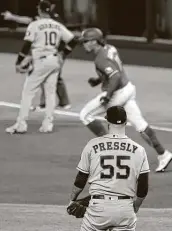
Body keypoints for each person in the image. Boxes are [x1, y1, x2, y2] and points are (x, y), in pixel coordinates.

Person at [79, 27, 172, 172]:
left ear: (94, 42)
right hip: (128, 88)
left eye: (85, 41)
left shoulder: (100, 58)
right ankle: (163, 154)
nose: (83, 44)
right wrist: (98, 80)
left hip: (117, 93)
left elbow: (114, 76)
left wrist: (107, 96)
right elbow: (115, 69)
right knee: (140, 125)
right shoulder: (110, 48)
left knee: (85, 115)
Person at [67, 105, 149, 231]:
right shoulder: (139, 150)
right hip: (125, 209)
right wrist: (136, 206)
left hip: (98, 209)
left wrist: (72, 200)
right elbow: (143, 187)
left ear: (107, 121)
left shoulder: (92, 145)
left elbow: (80, 180)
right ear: (126, 122)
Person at [5, 0, 75, 134]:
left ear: (39, 10)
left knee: (28, 92)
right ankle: (48, 124)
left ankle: (21, 124)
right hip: (54, 61)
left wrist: (18, 62)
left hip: (40, 61)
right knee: (50, 93)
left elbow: (26, 45)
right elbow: (73, 40)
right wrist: (63, 53)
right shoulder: (57, 25)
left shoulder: (35, 25)